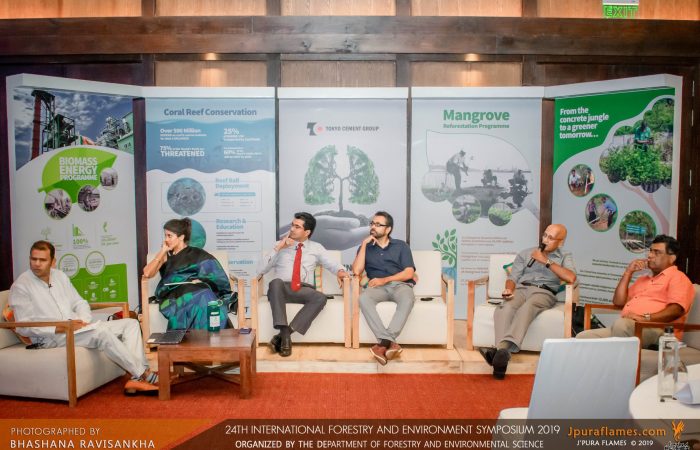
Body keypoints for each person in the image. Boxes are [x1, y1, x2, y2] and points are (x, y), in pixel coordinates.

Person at [9, 240, 158, 394]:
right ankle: (145, 374)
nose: (37, 264)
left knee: (130, 324)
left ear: (53, 261)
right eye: (33, 259)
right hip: (51, 338)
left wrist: (83, 321)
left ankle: (136, 379)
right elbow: (23, 326)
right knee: (101, 332)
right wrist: (61, 327)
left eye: (42, 260)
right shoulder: (21, 286)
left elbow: (79, 302)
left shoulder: (59, 276)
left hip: (76, 329)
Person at [479, 224, 576, 379]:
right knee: (505, 308)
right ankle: (501, 357)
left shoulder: (565, 255)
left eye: (550, 238)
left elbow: (571, 277)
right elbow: (513, 278)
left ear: (561, 242)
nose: (545, 240)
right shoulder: (526, 253)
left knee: (527, 308)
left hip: (544, 291)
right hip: (521, 289)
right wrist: (509, 289)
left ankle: (499, 351)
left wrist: (546, 261)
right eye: (545, 235)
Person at [577, 235, 694, 348]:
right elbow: (618, 302)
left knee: (621, 325)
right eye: (650, 251)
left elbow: (676, 310)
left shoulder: (678, 277)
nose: (650, 255)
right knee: (584, 337)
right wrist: (628, 272)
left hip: (659, 331)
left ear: (672, 258)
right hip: (631, 327)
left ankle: (620, 361)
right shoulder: (643, 279)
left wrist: (645, 318)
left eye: (657, 252)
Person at [257, 212, 348, 357]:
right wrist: (278, 248)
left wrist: (341, 272)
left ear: (307, 232)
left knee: (320, 297)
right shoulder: (279, 246)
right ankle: (285, 335)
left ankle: (284, 335)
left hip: (302, 289)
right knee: (275, 283)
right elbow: (260, 270)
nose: (292, 229)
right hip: (280, 290)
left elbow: (332, 264)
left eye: (297, 227)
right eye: (292, 225)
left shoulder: (316, 248)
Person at [143, 217, 232, 330]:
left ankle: (207, 338)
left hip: (197, 289)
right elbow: (147, 273)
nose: (166, 239)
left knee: (207, 296)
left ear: (181, 237)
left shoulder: (197, 253)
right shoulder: (165, 255)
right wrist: (162, 251)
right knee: (204, 297)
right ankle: (209, 336)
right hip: (174, 293)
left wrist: (202, 280)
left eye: (169, 236)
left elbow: (214, 274)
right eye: (165, 236)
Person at [352, 211, 416, 365]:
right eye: (372, 223)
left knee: (408, 298)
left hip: (400, 285)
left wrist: (385, 280)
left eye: (378, 224)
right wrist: (363, 245)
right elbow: (356, 271)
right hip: (377, 288)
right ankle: (389, 343)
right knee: (363, 298)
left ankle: (382, 344)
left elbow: (409, 272)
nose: (373, 227)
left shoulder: (401, 246)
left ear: (388, 229)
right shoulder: (366, 247)